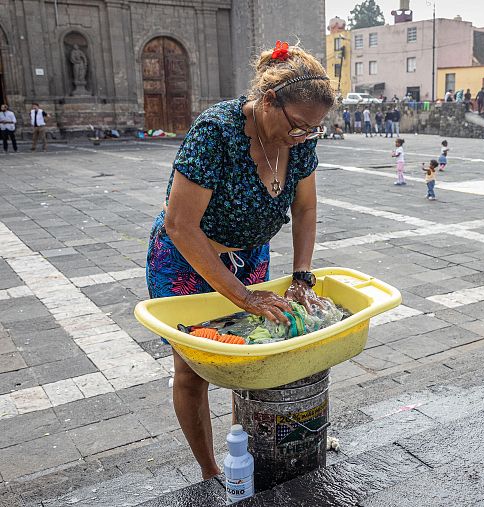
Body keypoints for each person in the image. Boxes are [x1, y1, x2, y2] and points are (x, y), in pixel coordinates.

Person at [145, 41, 333, 480]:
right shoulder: (217, 131)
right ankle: (212, 472)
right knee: (193, 370)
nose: (303, 136)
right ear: (268, 101)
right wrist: (243, 296)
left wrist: (302, 276)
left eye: (313, 130)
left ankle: (240, 454)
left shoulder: (300, 140)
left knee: (246, 360)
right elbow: (180, 225)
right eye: (299, 126)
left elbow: (305, 208)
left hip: (251, 258)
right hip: (187, 259)